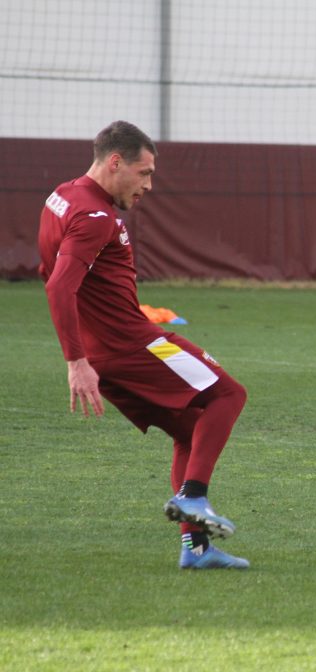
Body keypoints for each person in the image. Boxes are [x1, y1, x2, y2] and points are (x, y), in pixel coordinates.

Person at [38, 121, 249, 569]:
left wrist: (86, 351)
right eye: (144, 173)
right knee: (229, 394)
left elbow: (50, 275)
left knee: (191, 431)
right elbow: (59, 286)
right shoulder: (96, 217)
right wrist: (75, 361)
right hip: (133, 344)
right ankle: (194, 498)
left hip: (105, 352)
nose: (149, 186)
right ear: (115, 163)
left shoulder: (61, 197)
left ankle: (196, 551)